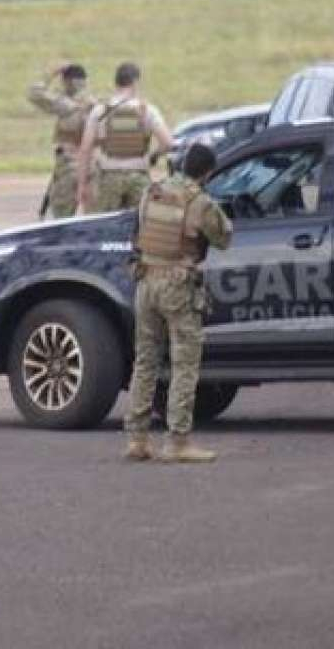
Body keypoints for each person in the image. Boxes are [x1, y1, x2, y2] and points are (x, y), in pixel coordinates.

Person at [124, 142, 232, 463]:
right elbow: (224, 238)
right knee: (184, 363)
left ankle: (137, 439)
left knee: (145, 362)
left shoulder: (151, 192)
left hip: (145, 283)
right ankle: (178, 441)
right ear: (208, 172)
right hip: (178, 287)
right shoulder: (200, 202)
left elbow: (137, 233)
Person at [75, 61, 174, 214]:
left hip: (108, 179)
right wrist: (153, 156)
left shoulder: (100, 111)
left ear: (116, 82)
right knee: (138, 229)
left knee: (105, 228)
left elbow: (85, 149)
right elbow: (168, 143)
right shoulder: (147, 110)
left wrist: (82, 185)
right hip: (138, 178)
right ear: (135, 82)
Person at [27, 61, 96, 218]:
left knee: (62, 218)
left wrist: (51, 72)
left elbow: (34, 93)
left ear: (67, 82)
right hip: (93, 166)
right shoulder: (95, 105)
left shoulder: (66, 105)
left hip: (69, 165)